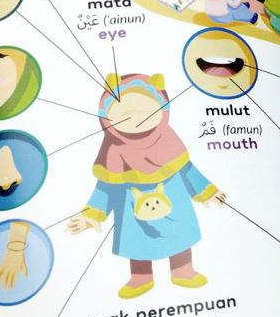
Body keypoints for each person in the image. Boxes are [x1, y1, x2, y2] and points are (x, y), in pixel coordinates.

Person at [67, 73, 226, 299]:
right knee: (137, 243)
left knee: (179, 236)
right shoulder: (113, 153)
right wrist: (91, 215)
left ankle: (182, 270)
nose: (135, 118)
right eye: (125, 113)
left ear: (162, 109)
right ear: (106, 116)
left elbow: (189, 172)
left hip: (176, 210)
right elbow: (105, 189)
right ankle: (141, 277)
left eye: (144, 110)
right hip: (133, 216)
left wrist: (208, 192)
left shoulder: (170, 144)